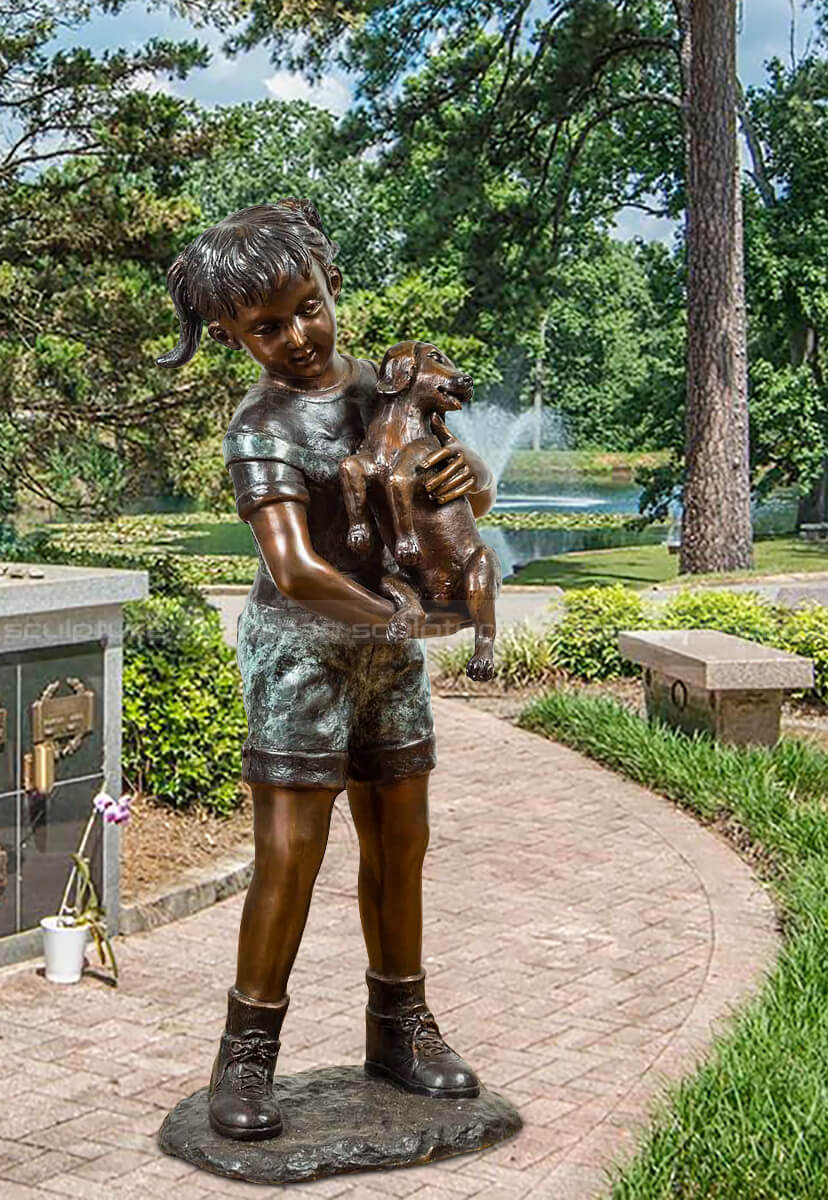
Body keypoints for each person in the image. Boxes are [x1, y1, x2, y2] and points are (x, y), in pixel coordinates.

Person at [156, 199, 496, 1141]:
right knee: (290, 858)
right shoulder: (260, 427)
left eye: (307, 308)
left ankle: (401, 1028)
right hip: (301, 658)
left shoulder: (384, 394)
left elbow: (439, 492)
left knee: (401, 847)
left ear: (330, 285)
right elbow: (298, 569)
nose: (297, 336)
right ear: (231, 336)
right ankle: (246, 1057)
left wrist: (463, 479)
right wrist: (414, 618)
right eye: (266, 328)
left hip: (387, 654)